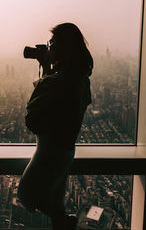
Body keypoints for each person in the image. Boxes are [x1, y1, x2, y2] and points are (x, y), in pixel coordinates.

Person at [17, 22, 93, 230]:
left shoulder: (54, 82)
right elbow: (62, 108)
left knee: (29, 196)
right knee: (56, 209)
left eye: (51, 44)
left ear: (62, 48)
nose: (47, 48)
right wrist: (50, 69)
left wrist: (46, 73)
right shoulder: (82, 80)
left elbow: (32, 120)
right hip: (65, 154)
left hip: (46, 156)